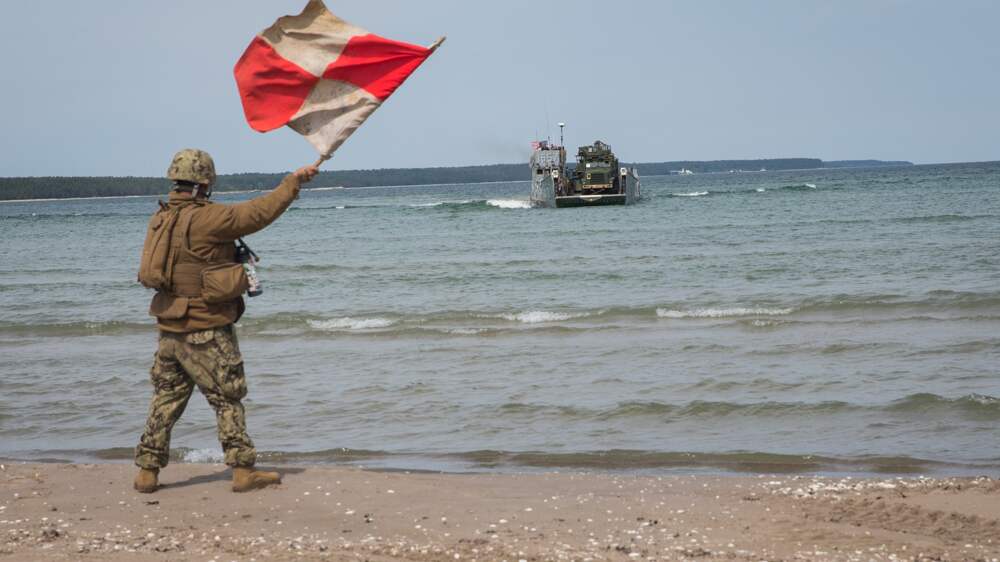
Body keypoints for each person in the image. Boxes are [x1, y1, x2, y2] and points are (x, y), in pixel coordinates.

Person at [133, 148, 318, 493]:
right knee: (227, 398)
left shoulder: (160, 218)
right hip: (206, 327)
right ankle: (243, 471)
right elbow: (259, 213)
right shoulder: (209, 218)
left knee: (165, 400)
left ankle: (147, 471)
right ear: (205, 183)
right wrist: (292, 182)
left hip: (169, 328)